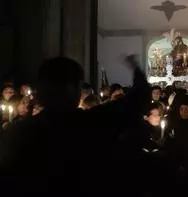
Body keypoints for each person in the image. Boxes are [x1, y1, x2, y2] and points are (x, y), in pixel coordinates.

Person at [0, 55, 150, 195]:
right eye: (79, 87)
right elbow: (138, 98)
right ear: (71, 88)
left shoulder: (17, 132)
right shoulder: (91, 123)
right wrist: (135, 67)